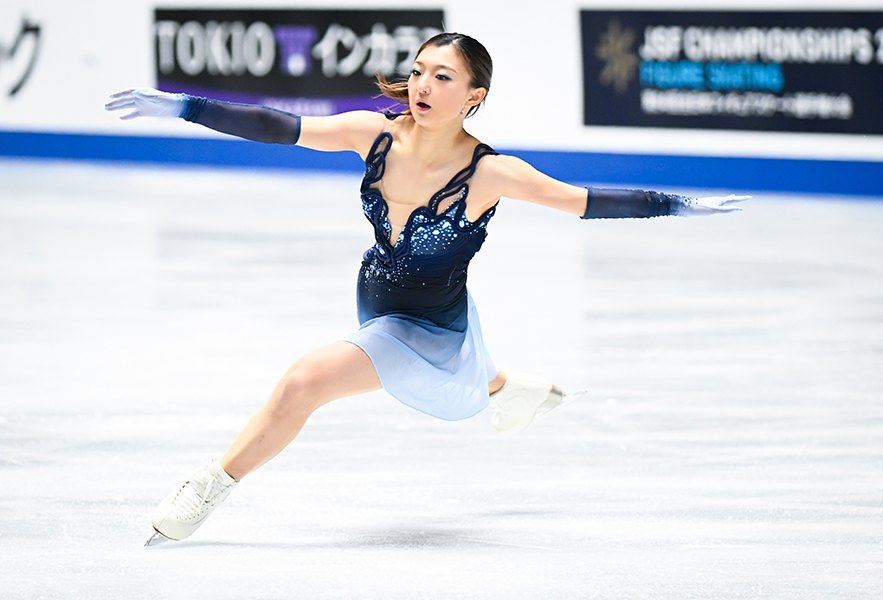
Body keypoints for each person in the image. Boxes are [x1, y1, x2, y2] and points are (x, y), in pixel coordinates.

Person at [105, 32, 745, 545]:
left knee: (302, 384)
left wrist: (677, 204)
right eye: (418, 71)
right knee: (462, 372)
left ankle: (209, 486)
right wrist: (188, 106)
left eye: (444, 76)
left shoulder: (491, 172)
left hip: (430, 322)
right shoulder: (372, 135)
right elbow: (281, 126)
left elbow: (583, 201)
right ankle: (510, 387)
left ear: (475, 95)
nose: (423, 85)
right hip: (378, 294)